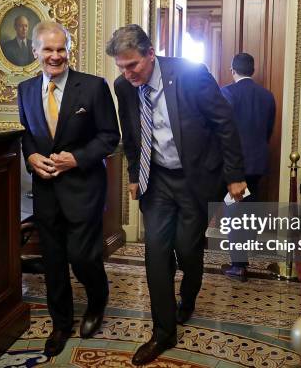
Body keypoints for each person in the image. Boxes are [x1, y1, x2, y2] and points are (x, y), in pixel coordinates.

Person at [106, 24, 247, 365]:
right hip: (157, 180)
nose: (127, 74)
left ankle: (188, 296)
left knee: (187, 249)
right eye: (121, 67)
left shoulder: (190, 74)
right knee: (156, 252)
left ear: (150, 54)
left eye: (133, 66)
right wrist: (132, 174)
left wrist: (235, 176)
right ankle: (162, 332)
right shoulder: (124, 86)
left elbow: (224, 123)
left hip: (195, 178)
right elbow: (131, 132)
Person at [18, 21, 120, 357]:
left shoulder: (92, 88)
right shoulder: (25, 90)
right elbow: (28, 135)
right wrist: (31, 155)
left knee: (82, 256)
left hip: (84, 189)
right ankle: (61, 322)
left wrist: (76, 159)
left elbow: (109, 136)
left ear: (69, 50)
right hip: (46, 191)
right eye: (48, 50)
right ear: (35, 52)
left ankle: (96, 302)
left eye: (61, 49)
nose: (55, 56)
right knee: (54, 261)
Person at [219, 52, 276, 281]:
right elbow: (268, 130)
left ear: (233, 70)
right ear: (252, 70)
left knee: (235, 213)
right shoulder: (267, 96)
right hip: (258, 162)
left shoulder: (226, 93)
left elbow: (222, 130)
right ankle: (244, 257)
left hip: (235, 165)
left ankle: (238, 265)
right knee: (248, 211)